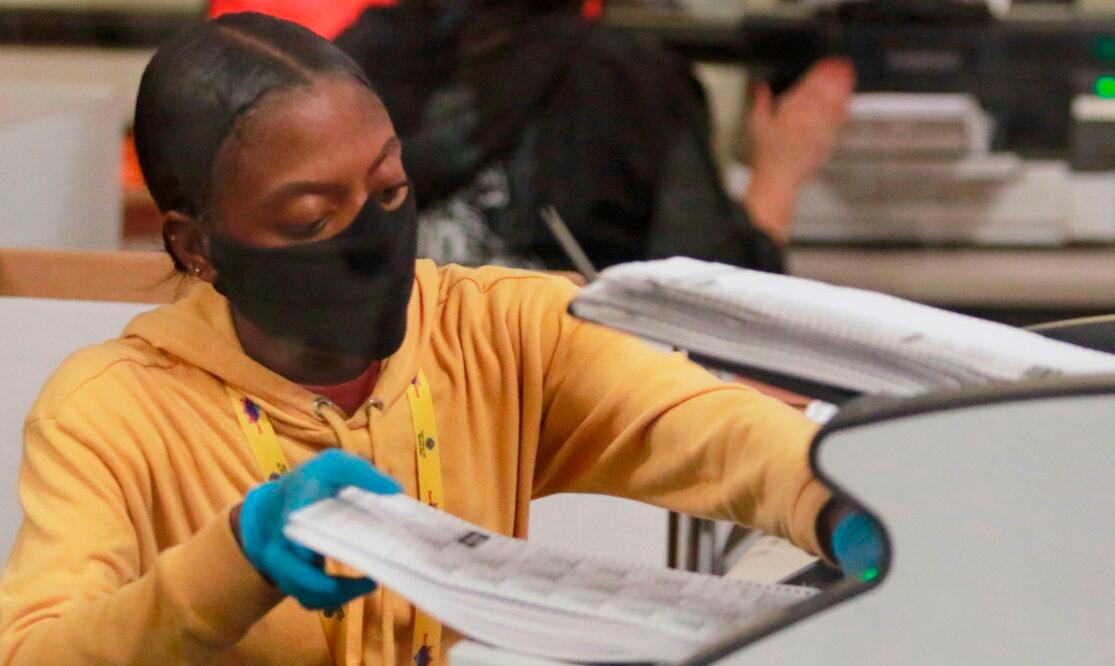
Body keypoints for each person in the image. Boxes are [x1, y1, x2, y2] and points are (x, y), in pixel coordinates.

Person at [0, 13, 878, 664]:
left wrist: (841, 502)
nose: (371, 234)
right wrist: (232, 561)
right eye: (311, 216)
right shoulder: (110, 410)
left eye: (388, 190)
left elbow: (709, 428)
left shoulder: (494, 330)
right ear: (197, 245)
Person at [336, 0, 854, 272]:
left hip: (381, 425)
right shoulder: (632, 80)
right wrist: (780, 179)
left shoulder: (337, 67)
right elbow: (711, 304)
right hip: (566, 438)